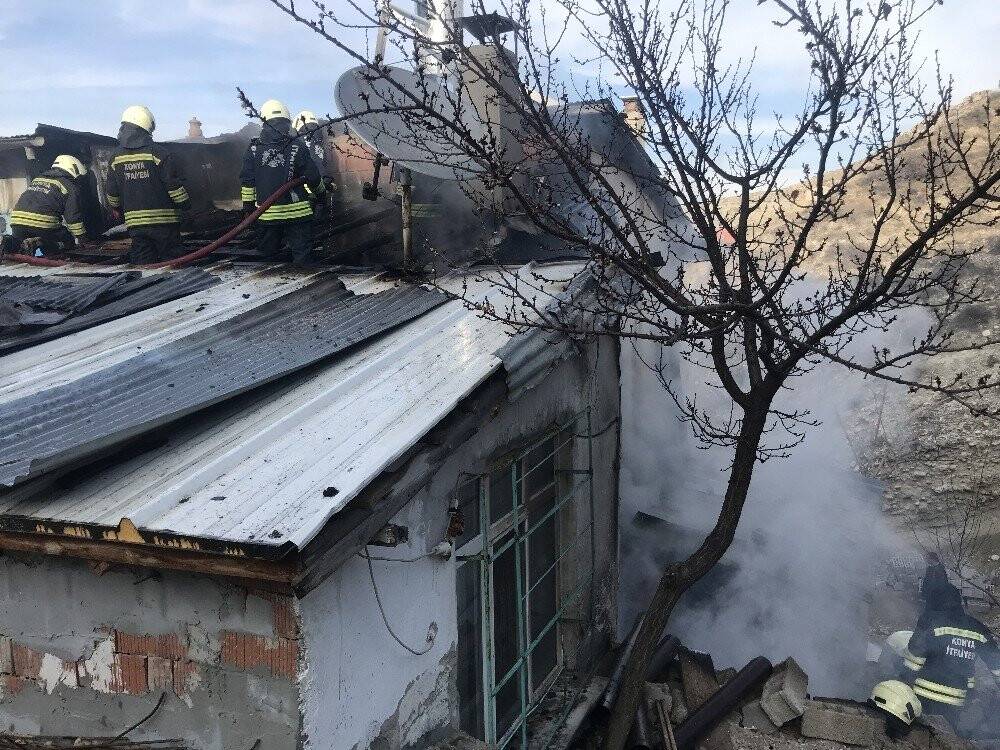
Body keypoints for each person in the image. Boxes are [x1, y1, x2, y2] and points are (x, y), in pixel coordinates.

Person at [241, 100, 326, 266]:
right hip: (298, 215)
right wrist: (321, 195)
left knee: (267, 260)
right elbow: (313, 177)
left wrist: (248, 208)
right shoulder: (297, 145)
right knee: (303, 260)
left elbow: (247, 182)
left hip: (266, 215)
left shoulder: (253, 149)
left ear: (264, 121)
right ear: (288, 121)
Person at [904, 581, 1000, 728]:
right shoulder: (977, 628)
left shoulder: (930, 621)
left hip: (922, 697)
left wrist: (900, 680)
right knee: (945, 737)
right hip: (957, 701)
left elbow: (914, 655)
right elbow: (996, 664)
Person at [105, 105, 191, 263]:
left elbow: (111, 191)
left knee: (143, 265)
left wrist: (116, 208)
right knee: (173, 264)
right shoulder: (159, 153)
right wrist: (185, 204)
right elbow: (173, 186)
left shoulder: (115, 157)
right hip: (165, 224)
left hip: (136, 226)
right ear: (147, 126)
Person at [9, 155, 88, 256]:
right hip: (42, 224)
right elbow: (73, 217)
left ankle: (10, 243)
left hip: (17, 221)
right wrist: (82, 237)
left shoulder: (38, 179)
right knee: (66, 240)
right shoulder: (70, 186)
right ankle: (39, 245)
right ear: (73, 168)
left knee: (20, 248)